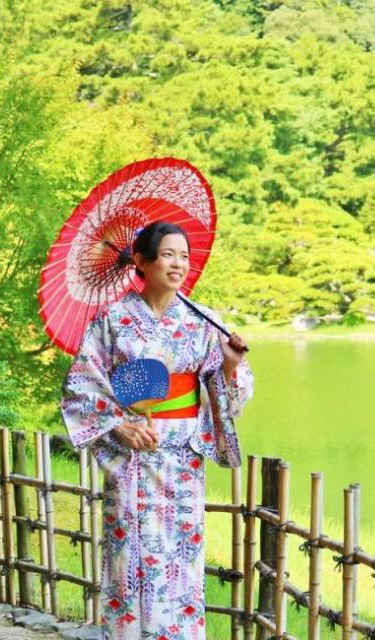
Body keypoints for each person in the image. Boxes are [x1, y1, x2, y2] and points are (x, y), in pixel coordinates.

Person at [62, 221, 253, 639]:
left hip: (183, 455)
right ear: (142, 262)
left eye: (184, 255)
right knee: (131, 551)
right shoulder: (113, 320)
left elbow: (229, 398)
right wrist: (119, 426)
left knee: (181, 557)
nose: (178, 263)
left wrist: (230, 365)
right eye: (167, 254)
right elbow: (80, 387)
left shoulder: (202, 321)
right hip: (133, 455)